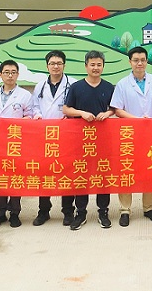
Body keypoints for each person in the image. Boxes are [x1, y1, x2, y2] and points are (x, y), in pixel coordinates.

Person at [62, 50, 115, 230]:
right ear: (86, 66)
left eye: (99, 64)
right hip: (81, 139)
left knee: (103, 174)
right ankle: (81, 212)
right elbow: (66, 109)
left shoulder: (109, 87)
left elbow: (115, 108)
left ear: (103, 67)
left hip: (103, 139)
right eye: (92, 64)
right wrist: (81, 113)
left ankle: (103, 212)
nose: (95, 68)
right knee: (81, 174)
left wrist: (107, 113)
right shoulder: (76, 87)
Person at [110, 46, 152, 226]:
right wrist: (137, 120)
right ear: (130, 62)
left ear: (147, 61)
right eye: (136, 60)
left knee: (150, 170)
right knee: (127, 170)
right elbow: (117, 109)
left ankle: (148, 207)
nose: (139, 63)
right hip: (129, 134)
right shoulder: (122, 84)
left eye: (142, 60)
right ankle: (125, 209)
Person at [30, 50, 77, 227]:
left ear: (64, 65)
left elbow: (75, 107)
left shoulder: (72, 84)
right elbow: (35, 106)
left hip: (66, 134)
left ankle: (68, 211)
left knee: (66, 172)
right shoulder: (40, 85)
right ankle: (43, 211)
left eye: (59, 63)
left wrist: (69, 118)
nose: (55, 66)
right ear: (47, 66)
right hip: (45, 136)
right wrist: (37, 116)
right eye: (52, 63)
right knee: (45, 173)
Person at [0, 60, 33, 229]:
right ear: (0, 75)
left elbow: (30, 115)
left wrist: (21, 122)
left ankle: (15, 212)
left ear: (18, 75)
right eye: (6, 72)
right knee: (0, 176)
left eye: (13, 72)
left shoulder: (25, 95)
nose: (10, 75)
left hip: (16, 141)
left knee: (15, 177)